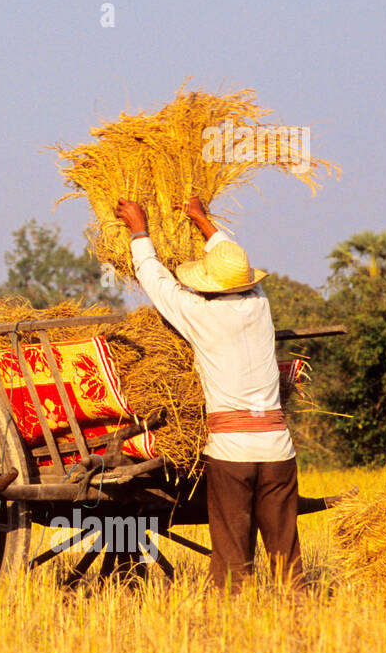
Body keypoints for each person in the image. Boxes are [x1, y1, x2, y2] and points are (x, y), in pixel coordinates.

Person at [114, 195, 304, 592]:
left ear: (208, 286)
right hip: (278, 450)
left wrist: (139, 229)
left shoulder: (200, 315)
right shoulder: (259, 305)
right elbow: (232, 261)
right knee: (287, 557)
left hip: (232, 453)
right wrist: (202, 219)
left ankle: (234, 620)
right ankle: (297, 614)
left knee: (233, 560)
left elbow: (156, 281)